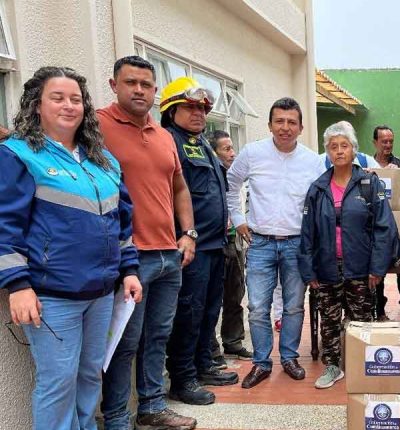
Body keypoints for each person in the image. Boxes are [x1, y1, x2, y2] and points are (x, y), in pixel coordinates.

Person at [0, 66, 142, 430]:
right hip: (52, 296)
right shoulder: (17, 154)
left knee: (91, 375)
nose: (69, 106)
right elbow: (5, 225)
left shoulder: (103, 161)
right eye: (58, 98)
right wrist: (17, 285)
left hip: (101, 293)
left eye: (76, 99)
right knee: (58, 383)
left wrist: (129, 270)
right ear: (36, 105)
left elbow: (122, 222)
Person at [98, 56, 197, 430]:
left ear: (155, 92)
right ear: (114, 85)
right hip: (129, 259)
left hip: (168, 255)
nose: (138, 90)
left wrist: (188, 234)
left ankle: (153, 406)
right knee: (125, 343)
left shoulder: (163, 135)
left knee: (158, 335)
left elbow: (179, 187)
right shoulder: (97, 125)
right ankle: (116, 418)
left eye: (145, 84)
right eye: (130, 82)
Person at [227, 97, 325, 389]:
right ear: (270, 124)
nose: (285, 128)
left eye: (291, 122)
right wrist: (238, 219)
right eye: (279, 121)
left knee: (294, 306)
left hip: (297, 244)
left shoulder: (313, 161)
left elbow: (320, 202)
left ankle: (290, 357)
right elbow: (232, 185)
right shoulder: (252, 153)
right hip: (260, 243)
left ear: (301, 127)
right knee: (258, 306)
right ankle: (261, 362)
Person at [160, 77, 239, 405]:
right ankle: (182, 378)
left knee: (209, 311)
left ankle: (204, 364)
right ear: (170, 110)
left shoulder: (202, 142)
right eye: (190, 107)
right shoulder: (169, 141)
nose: (199, 114)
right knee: (188, 314)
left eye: (203, 109)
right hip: (191, 247)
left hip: (214, 245)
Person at [299, 121, 396, 389]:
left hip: (360, 268)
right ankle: (333, 366)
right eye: (333, 147)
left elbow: (384, 227)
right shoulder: (317, 189)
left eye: (344, 146)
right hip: (327, 268)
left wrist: (377, 268)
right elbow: (307, 233)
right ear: (327, 153)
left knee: (363, 322)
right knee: (329, 322)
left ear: (354, 149)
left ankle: (364, 365)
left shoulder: (369, 183)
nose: (339, 151)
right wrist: (309, 271)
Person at [207, 131, 254, 365]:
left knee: (236, 294)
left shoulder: (236, 177)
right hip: (214, 244)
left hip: (234, 243)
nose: (232, 153)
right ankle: (211, 350)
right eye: (226, 149)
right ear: (213, 152)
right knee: (213, 298)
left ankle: (233, 341)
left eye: (232, 148)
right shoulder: (209, 176)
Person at [371, 125, 400, 318]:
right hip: (375, 223)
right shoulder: (367, 165)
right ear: (375, 142)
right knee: (378, 266)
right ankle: (379, 310)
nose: (387, 145)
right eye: (383, 141)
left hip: (398, 220)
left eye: (390, 141)